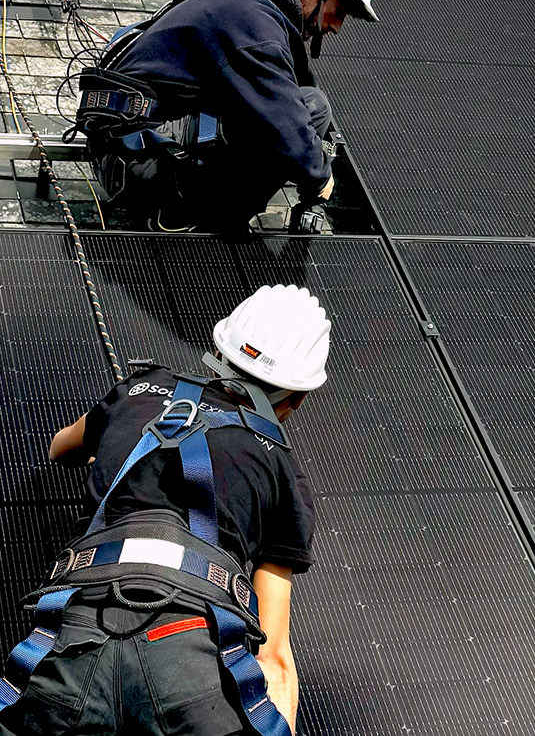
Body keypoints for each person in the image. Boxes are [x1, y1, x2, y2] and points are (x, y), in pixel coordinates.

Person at [0, 283, 330, 736]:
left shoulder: (137, 389)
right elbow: (273, 656)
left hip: (73, 633)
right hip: (189, 661)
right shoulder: (282, 470)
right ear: (296, 399)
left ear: (218, 350)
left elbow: (61, 447)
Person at [72, 0, 393, 234]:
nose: (336, 27)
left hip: (125, 154)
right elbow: (289, 125)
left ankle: (187, 203)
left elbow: (293, 93)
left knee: (299, 108)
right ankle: (184, 216)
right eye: (339, 12)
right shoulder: (254, 25)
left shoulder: (246, 4)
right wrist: (321, 177)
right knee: (311, 109)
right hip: (140, 168)